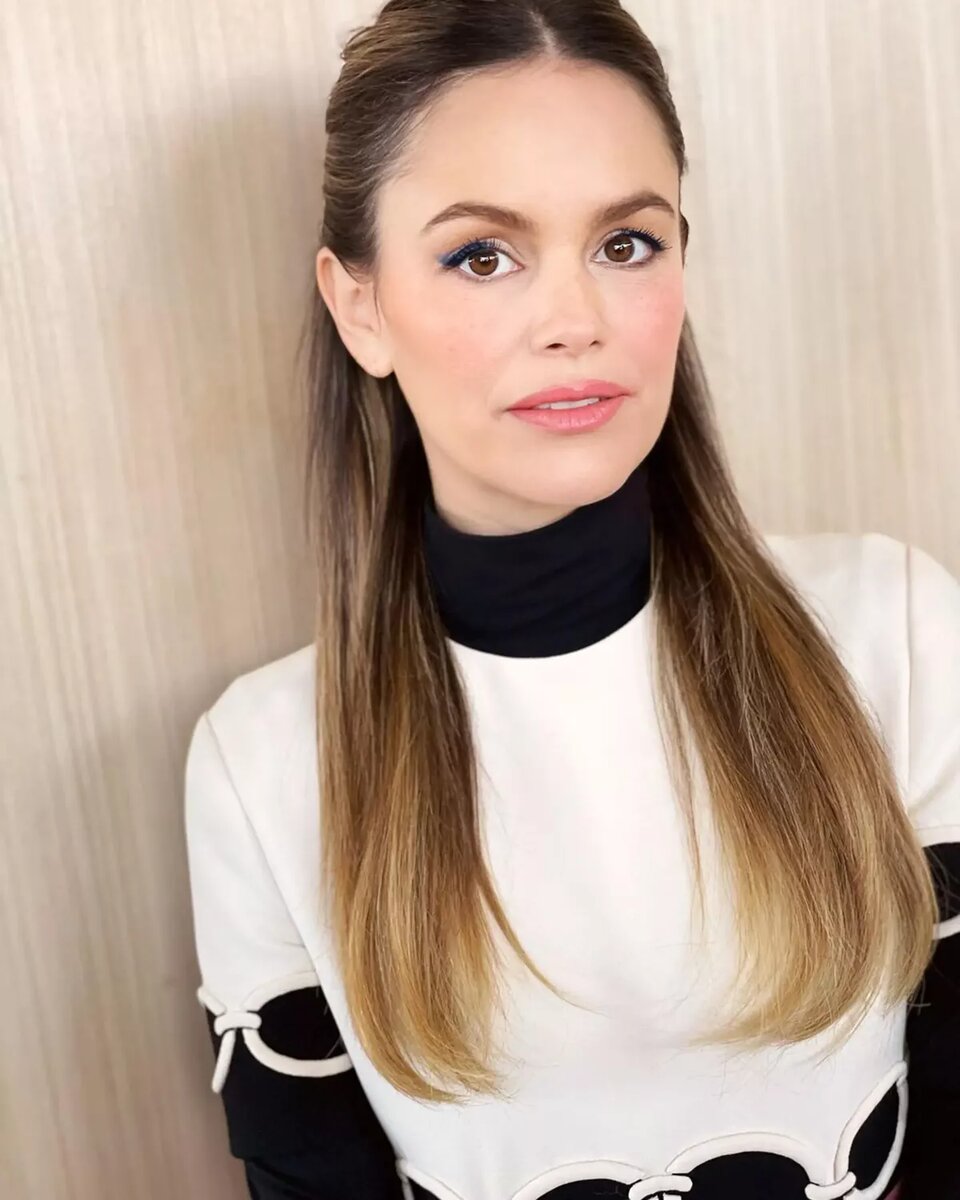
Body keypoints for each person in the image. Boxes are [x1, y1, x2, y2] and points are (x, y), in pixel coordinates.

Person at [182, 2, 960, 1197]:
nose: (575, 324)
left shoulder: (891, 629)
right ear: (359, 307)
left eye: (626, 244)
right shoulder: (265, 764)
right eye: (482, 255)